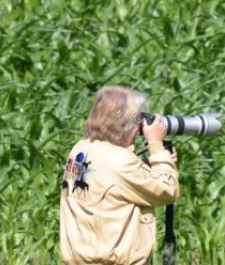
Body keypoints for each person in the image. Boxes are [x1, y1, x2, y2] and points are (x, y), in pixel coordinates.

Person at [59, 86, 180, 265]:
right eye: (140, 117)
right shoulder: (119, 161)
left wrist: (152, 163)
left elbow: (115, 182)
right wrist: (155, 144)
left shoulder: (83, 147)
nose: (142, 126)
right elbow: (167, 191)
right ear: (125, 122)